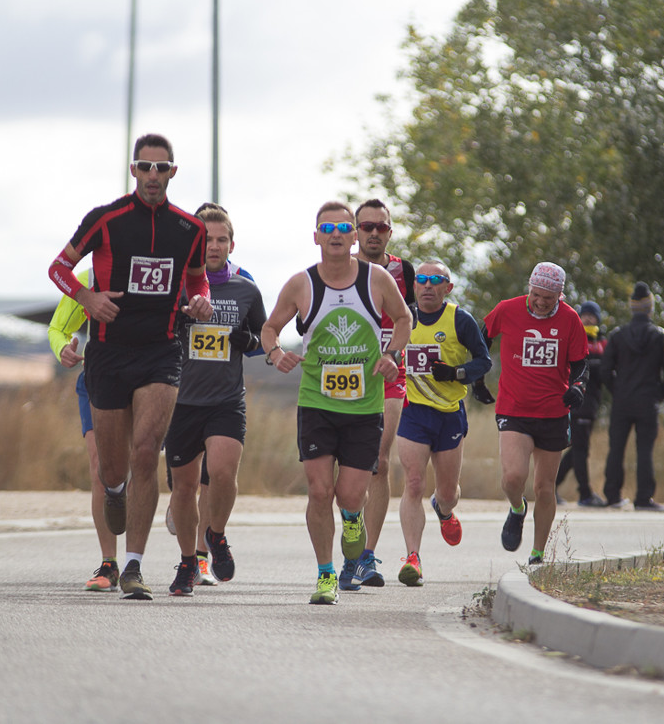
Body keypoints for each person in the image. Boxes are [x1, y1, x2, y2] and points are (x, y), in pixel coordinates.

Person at [47, 133, 213, 600]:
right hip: (108, 352)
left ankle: (134, 565)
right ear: (134, 170)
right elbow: (58, 268)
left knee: (146, 452)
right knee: (113, 468)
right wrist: (87, 297)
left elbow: (199, 285)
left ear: (173, 173)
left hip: (161, 351)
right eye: (145, 167)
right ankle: (115, 491)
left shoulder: (190, 230)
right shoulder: (105, 219)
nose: (153, 176)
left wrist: (200, 304)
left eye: (162, 168)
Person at [261, 200, 410, 605]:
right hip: (317, 402)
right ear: (316, 238)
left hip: (364, 406)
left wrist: (392, 355)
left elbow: (402, 319)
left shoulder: (377, 280)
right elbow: (270, 327)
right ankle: (326, 574)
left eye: (344, 228)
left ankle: (353, 519)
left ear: (353, 235)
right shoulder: (301, 285)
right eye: (327, 230)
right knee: (319, 490)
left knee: (349, 495)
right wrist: (276, 355)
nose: (337, 235)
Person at [164, 203, 267, 594]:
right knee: (184, 487)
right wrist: (178, 324)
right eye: (206, 239)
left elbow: (264, 338)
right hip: (181, 399)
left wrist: (251, 341)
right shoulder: (177, 287)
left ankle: (217, 535)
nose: (214, 246)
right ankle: (188, 562)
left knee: (223, 474)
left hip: (226, 399)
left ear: (232, 244)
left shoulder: (246, 289)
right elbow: (158, 335)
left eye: (221, 239)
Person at [393, 259, 491, 586]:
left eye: (436, 280)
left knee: (447, 492)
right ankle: (413, 558)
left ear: (448, 288)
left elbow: (483, 361)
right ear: (414, 285)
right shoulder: (403, 317)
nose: (428, 285)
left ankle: (444, 510)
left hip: (449, 413)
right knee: (414, 483)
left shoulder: (459, 320)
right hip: (413, 411)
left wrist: (456, 373)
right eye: (421, 279)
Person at [485, 263, 587, 565]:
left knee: (545, 488)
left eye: (549, 298)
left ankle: (537, 553)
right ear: (529, 287)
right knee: (513, 477)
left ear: (560, 296)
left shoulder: (570, 320)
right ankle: (517, 509)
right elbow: (481, 337)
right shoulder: (507, 310)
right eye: (536, 295)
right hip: (514, 408)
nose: (541, 302)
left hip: (553, 412)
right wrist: (478, 376)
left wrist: (578, 386)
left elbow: (581, 363)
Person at [340, 198, 416, 591]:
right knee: (349, 465)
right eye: (365, 226)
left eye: (380, 227)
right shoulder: (340, 268)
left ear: (390, 231)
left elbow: (413, 317)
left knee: (380, 463)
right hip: (347, 374)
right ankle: (351, 535)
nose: (373, 233)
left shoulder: (405, 270)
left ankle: (364, 557)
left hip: (389, 373)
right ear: (355, 231)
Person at [47, 270, 122, 591]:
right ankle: (110, 563)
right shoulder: (91, 274)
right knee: (100, 470)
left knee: (137, 467)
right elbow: (57, 327)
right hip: (95, 379)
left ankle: (136, 561)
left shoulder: (155, 265)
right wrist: (62, 347)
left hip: (145, 381)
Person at [600, 282, 664, 511]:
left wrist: (618, 391)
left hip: (622, 401)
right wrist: (658, 394)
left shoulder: (617, 336)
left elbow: (605, 370)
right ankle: (643, 499)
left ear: (632, 308)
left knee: (616, 448)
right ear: (650, 308)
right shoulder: (661, 336)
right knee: (644, 450)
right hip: (648, 400)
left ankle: (612, 496)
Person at [554, 300, 608, 507]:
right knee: (580, 449)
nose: (588, 319)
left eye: (592, 316)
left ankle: (552, 486)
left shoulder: (603, 342)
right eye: (584, 315)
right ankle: (585, 494)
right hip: (575, 401)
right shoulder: (572, 337)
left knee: (577, 447)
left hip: (592, 402)